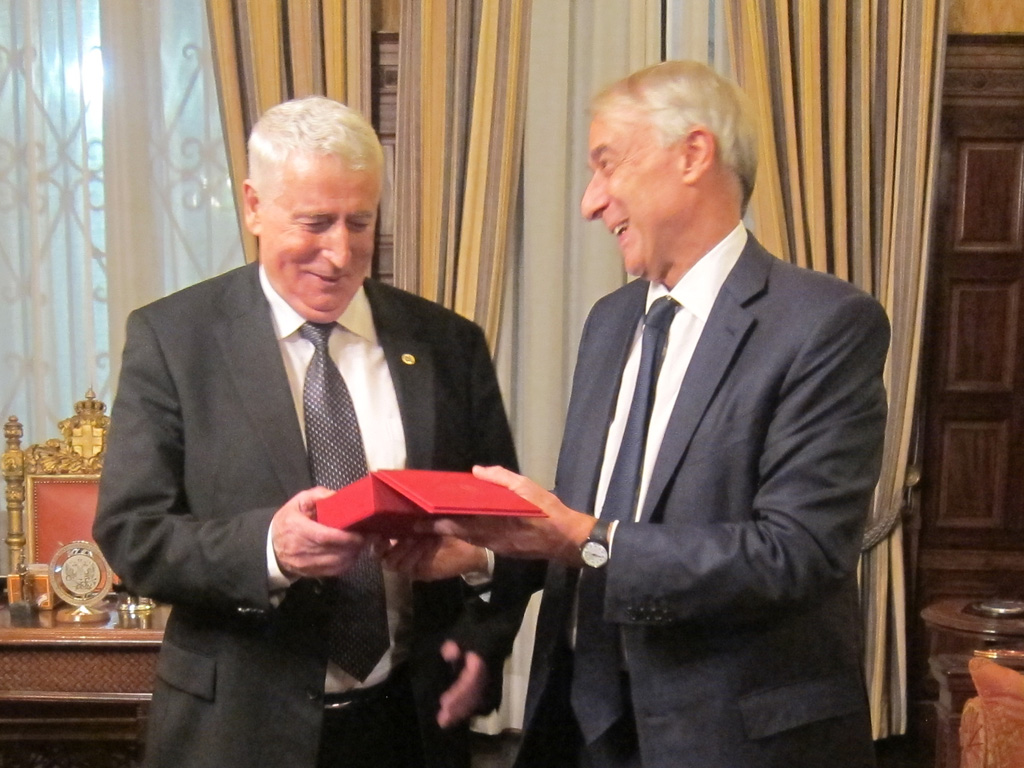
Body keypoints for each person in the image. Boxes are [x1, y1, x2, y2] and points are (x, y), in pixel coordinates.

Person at [426, 60, 890, 768]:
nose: (590, 202)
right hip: (576, 728)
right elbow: (592, 520)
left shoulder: (824, 324)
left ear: (693, 154)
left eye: (606, 164)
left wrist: (584, 538)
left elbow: (795, 552)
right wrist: (490, 552)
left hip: (731, 742)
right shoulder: (609, 322)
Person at [93, 96, 529, 768]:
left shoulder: (447, 343)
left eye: (361, 222)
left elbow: (510, 525)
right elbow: (133, 534)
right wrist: (270, 549)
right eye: (315, 222)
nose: (341, 253)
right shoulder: (175, 341)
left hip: (409, 730)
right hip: (237, 735)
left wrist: (484, 636)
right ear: (253, 206)